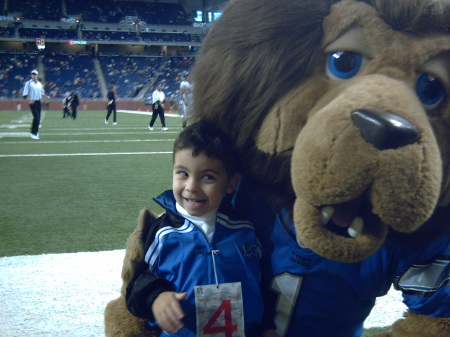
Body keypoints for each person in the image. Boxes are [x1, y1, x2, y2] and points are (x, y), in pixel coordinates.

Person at [126, 121, 264, 337]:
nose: (191, 186)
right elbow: (137, 287)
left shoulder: (245, 230)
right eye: (182, 173)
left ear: (231, 183)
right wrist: (157, 297)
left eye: (207, 177)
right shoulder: (164, 233)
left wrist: (266, 327)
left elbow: (260, 284)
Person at [22, 69, 50, 140]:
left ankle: (33, 132)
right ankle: (34, 133)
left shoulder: (39, 83)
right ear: (31, 75)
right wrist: (30, 100)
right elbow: (25, 95)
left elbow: (41, 92)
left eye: (35, 74)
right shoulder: (28, 83)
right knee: (36, 118)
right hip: (33, 102)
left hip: (38, 102)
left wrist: (46, 96)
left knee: (38, 118)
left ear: (37, 75)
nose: (34, 76)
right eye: (33, 74)